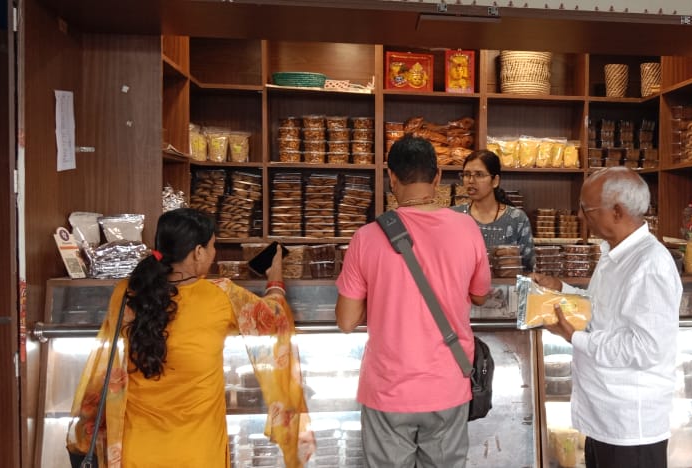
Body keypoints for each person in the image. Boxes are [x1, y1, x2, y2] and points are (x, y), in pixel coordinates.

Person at [66, 208, 314, 468]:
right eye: (212, 246)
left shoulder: (125, 293)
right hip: (198, 453)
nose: (213, 253)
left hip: (136, 451)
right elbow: (273, 318)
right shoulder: (220, 297)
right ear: (198, 252)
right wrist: (275, 280)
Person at [335, 135, 493, 467]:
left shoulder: (365, 237)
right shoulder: (467, 228)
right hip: (448, 384)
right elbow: (480, 295)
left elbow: (346, 322)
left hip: (387, 389)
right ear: (437, 177)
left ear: (391, 177)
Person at [533, 167, 681, 468]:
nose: (580, 215)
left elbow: (646, 349)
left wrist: (575, 337)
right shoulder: (614, 253)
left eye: (587, 209)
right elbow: (602, 309)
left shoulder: (650, 264)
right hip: (604, 417)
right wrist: (562, 290)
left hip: (630, 427)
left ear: (617, 211)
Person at [451, 150, 535, 271]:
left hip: (508, 283)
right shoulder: (454, 216)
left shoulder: (517, 218)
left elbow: (529, 269)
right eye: (466, 174)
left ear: (495, 181)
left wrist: (513, 266)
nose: (471, 181)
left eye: (479, 175)